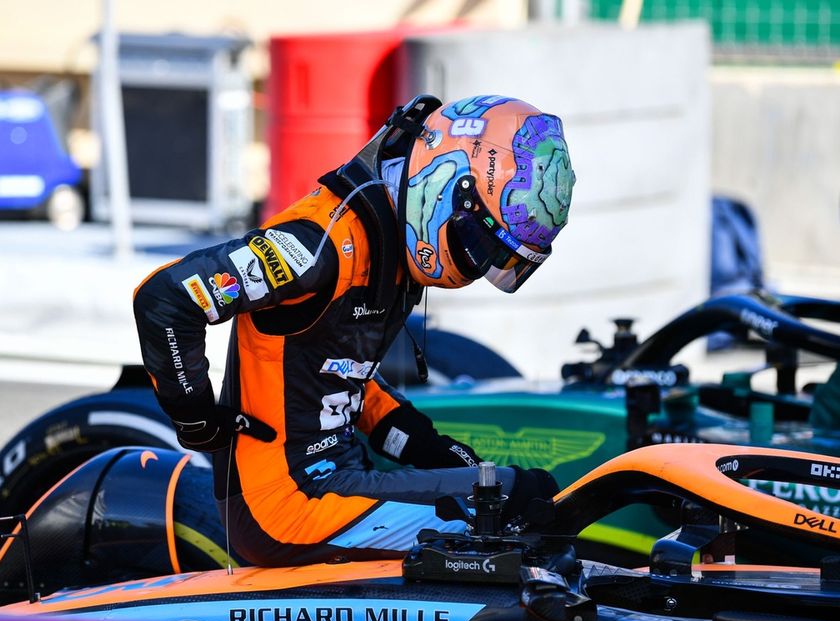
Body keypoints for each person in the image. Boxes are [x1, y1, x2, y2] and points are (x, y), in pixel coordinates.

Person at [133, 94, 576, 567]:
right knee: (518, 510)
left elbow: (344, 375)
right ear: (443, 185)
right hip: (281, 508)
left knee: (530, 497)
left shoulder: (391, 244)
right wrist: (197, 418)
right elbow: (166, 299)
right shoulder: (317, 245)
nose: (478, 265)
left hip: (335, 484)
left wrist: (431, 447)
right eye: (478, 246)